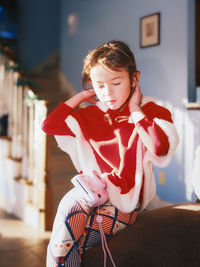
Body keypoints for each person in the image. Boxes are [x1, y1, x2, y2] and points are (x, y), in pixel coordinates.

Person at [42, 40, 179, 266]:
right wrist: (80, 98)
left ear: (134, 79)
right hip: (93, 192)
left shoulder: (151, 110)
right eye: (99, 85)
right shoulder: (88, 116)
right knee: (68, 216)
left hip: (127, 201)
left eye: (116, 82)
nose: (108, 93)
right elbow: (49, 126)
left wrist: (135, 110)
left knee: (77, 241)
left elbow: (160, 147)